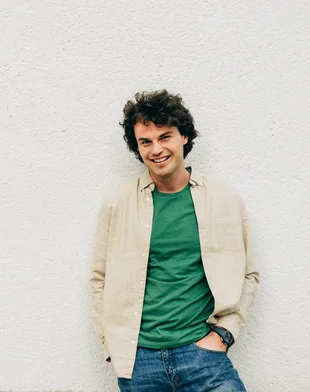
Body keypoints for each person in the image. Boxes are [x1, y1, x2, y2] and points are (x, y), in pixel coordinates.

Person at [90, 90, 259, 391]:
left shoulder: (222, 198)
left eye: (165, 136)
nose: (156, 149)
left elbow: (249, 273)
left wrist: (224, 334)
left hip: (204, 357)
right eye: (146, 141)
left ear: (184, 136)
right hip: (139, 363)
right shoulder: (118, 203)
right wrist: (112, 347)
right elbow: (99, 279)